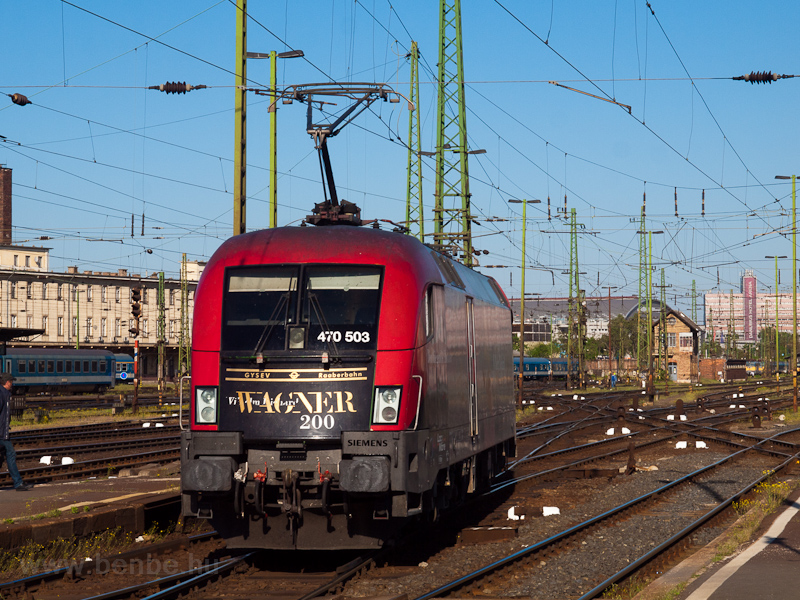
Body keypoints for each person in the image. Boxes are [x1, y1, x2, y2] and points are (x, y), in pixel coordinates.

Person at [0, 374, 32, 491]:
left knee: (4, 456)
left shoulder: (4, 393)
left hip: (3, 432)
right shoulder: (2, 394)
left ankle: (18, 482)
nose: (12, 384)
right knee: (11, 454)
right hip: (2, 433)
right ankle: (18, 483)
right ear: (7, 382)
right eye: (11, 382)